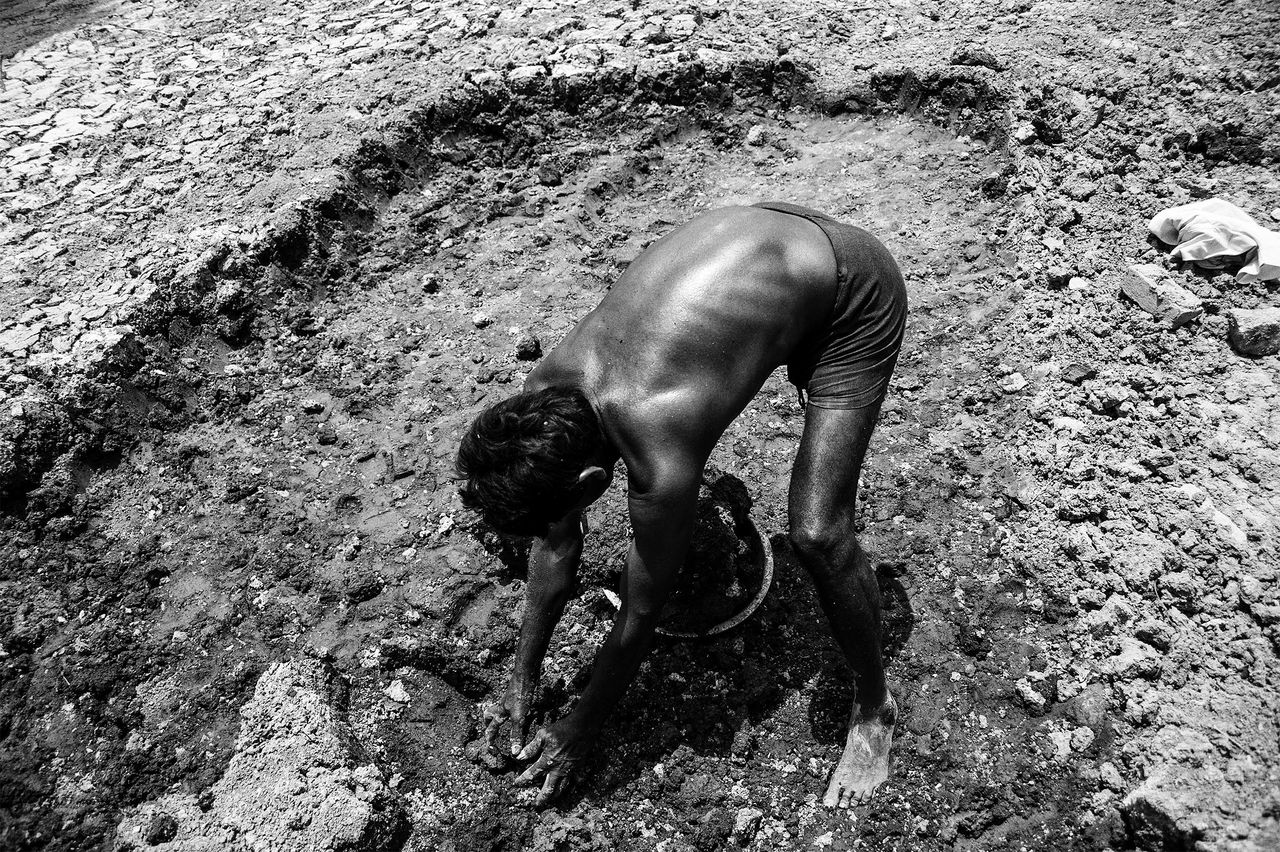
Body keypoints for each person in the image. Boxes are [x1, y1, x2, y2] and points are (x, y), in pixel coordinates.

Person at [455, 201, 907, 808]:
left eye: (565, 508)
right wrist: (523, 675)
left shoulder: (658, 453)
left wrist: (580, 727)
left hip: (853, 292)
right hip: (769, 237)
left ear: (593, 485)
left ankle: (875, 708)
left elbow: (642, 610)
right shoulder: (544, 402)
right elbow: (555, 539)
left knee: (818, 532)